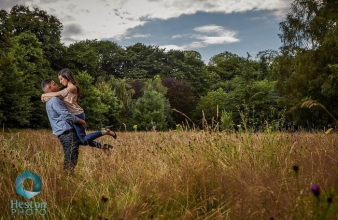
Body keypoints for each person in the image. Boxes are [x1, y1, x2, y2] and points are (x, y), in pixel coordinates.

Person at [41, 68, 116, 155]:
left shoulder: (72, 87)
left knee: (83, 139)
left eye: (61, 79)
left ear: (67, 77)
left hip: (78, 114)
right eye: (59, 80)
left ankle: (105, 132)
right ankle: (103, 146)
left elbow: (56, 94)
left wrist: (44, 94)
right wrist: (45, 97)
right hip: (73, 115)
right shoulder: (65, 88)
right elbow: (54, 96)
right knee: (78, 140)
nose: (60, 82)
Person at [41, 78, 84, 171]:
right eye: (54, 84)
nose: (57, 85)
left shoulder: (49, 101)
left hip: (62, 134)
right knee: (71, 160)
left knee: (69, 158)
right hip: (68, 133)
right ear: (50, 87)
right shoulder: (54, 100)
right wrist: (80, 121)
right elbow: (66, 115)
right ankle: (67, 180)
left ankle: (66, 180)